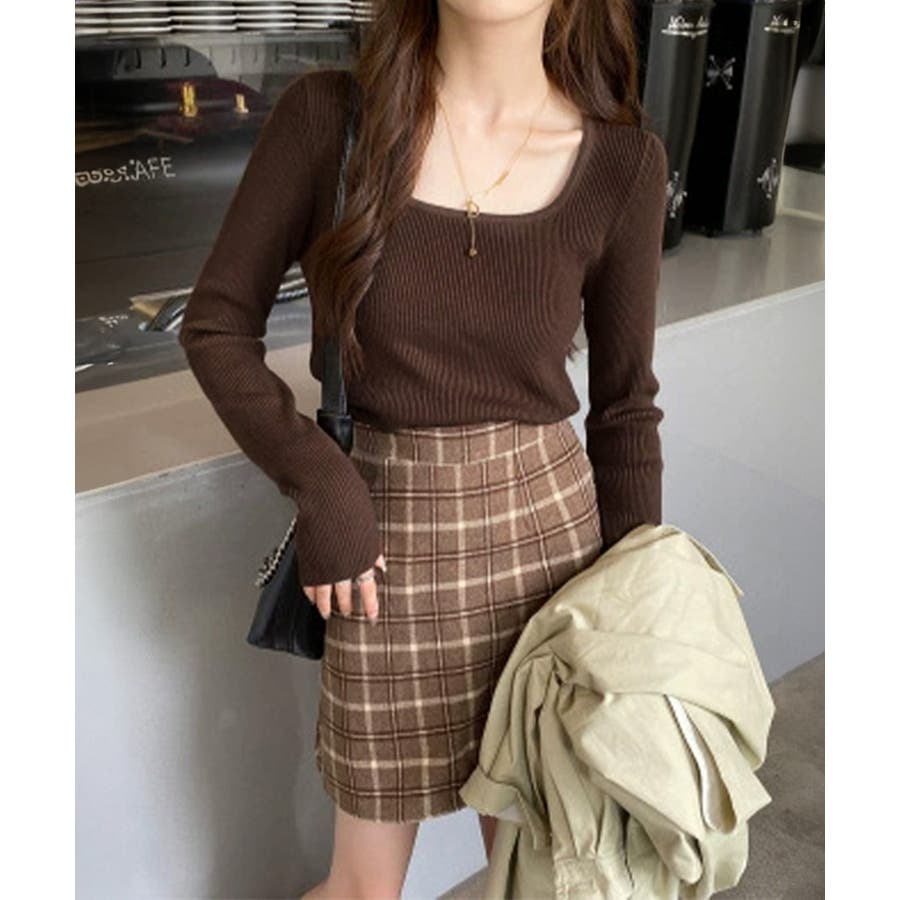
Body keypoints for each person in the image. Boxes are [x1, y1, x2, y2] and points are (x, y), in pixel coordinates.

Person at [178, 1, 668, 897]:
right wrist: (321, 482)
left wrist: (640, 613)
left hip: (550, 558)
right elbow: (215, 326)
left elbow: (625, 411)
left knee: (543, 879)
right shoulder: (329, 119)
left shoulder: (623, 163)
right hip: (381, 555)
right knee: (364, 888)